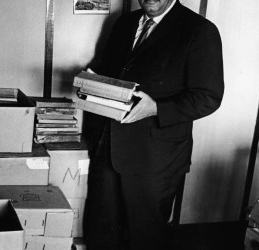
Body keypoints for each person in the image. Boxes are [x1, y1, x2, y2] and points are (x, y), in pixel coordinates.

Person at [83, 0, 224, 249]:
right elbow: (108, 69)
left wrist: (157, 108)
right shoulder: (124, 23)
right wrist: (90, 79)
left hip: (156, 160)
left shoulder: (200, 30)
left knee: (145, 237)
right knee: (100, 232)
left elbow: (208, 97)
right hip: (109, 148)